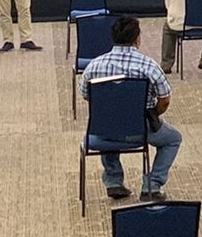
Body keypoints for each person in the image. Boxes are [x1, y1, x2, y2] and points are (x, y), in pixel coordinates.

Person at [78, 16, 183, 201]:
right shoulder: (149, 65)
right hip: (140, 129)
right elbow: (165, 99)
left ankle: (113, 181)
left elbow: (86, 95)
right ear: (137, 38)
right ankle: (152, 185)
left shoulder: (94, 66)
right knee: (173, 139)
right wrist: (152, 115)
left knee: (109, 122)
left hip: (104, 129)